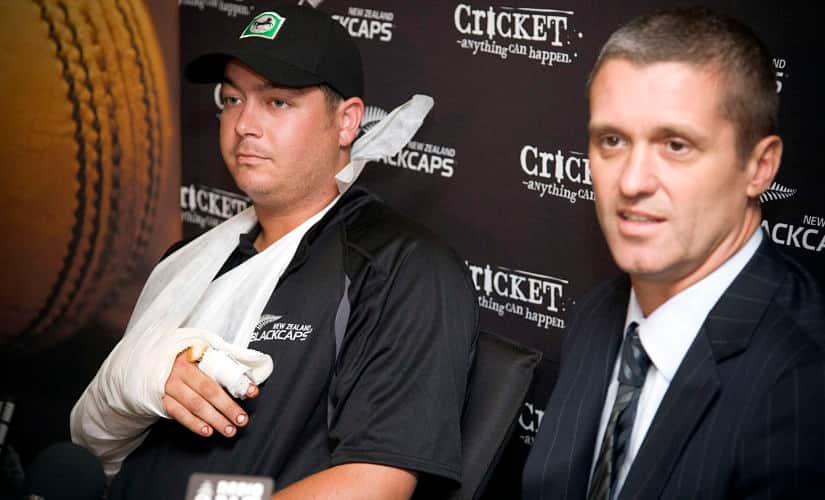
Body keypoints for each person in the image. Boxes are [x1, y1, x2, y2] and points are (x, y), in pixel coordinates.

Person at [70, 5, 478, 499]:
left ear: (347, 122)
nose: (244, 124)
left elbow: (377, 484)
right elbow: (91, 442)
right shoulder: (187, 261)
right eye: (233, 98)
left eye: (278, 102)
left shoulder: (401, 268)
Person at [523, 7, 825, 500]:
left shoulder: (802, 384)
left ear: (760, 167)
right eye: (612, 140)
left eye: (676, 145)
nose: (632, 181)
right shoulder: (600, 314)